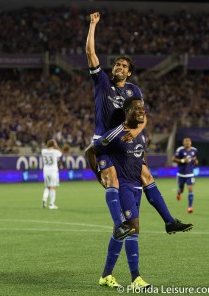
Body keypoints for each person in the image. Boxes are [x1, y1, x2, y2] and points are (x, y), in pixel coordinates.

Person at [85, 12, 192, 238]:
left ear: (129, 72)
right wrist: (93, 25)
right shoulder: (103, 83)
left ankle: (169, 221)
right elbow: (90, 53)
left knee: (146, 176)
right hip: (105, 141)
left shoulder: (134, 91)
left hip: (125, 141)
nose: (119, 67)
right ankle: (120, 223)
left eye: (123, 65)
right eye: (117, 64)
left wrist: (135, 132)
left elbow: (142, 118)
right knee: (112, 179)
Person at [95, 97, 151, 289]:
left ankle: (106, 275)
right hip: (123, 185)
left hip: (135, 186)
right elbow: (91, 150)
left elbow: (142, 154)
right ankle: (136, 278)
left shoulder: (141, 133)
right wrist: (101, 176)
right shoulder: (115, 133)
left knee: (120, 232)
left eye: (142, 108)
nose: (140, 111)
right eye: (136, 108)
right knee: (132, 227)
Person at [172, 137, 198, 213]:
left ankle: (190, 207)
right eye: (186, 141)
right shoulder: (180, 150)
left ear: (191, 142)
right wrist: (183, 160)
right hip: (181, 174)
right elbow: (173, 159)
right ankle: (178, 193)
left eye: (188, 141)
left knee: (190, 189)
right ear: (183, 143)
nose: (187, 142)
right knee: (181, 190)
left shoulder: (194, 150)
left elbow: (195, 158)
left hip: (190, 174)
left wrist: (196, 161)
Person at [41, 139, 62, 209]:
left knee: (47, 187)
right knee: (53, 187)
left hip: (46, 171)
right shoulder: (55, 152)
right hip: (53, 171)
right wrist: (57, 146)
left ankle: (44, 199)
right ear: (53, 145)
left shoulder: (43, 151)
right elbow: (61, 154)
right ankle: (51, 204)